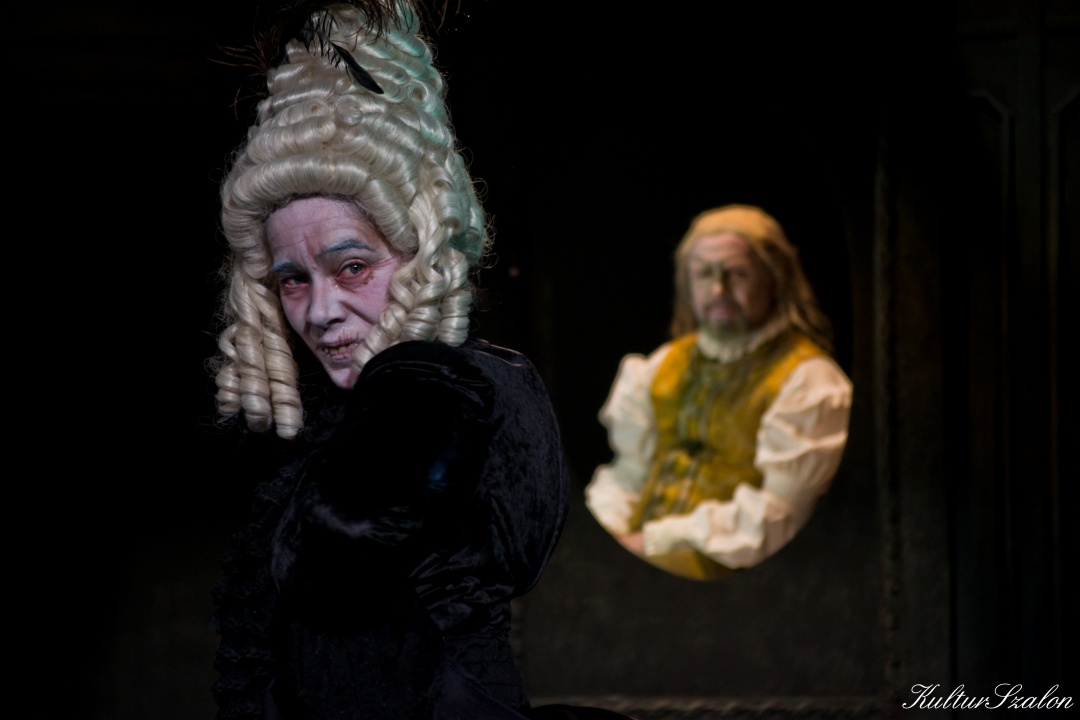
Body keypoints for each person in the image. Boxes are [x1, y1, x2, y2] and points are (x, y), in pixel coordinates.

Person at [206, 3, 630, 718]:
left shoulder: (452, 390)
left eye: (351, 267)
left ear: (423, 253)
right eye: (292, 280)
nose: (319, 311)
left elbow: (348, 547)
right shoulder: (327, 423)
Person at [585, 205, 853, 581]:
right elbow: (628, 474)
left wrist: (653, 541)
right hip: (638, 555)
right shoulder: (662, 365)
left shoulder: (808, 380)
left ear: (775, 281)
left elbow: (780, 515)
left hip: (738, 577)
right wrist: (603, 534)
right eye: (704, 274)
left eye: (737, 274)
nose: (718, 291)